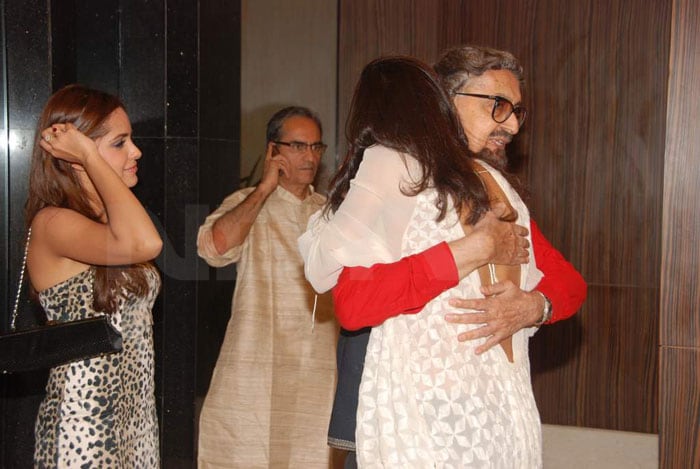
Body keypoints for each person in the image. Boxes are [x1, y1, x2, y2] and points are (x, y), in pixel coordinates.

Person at [301, 46, 587, 466]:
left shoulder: (495, 183)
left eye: (517, 112)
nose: (511, 125)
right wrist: (469, 251)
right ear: (443, 100)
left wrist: (533, 306)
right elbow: (353, 301)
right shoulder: (399, 168)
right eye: (498, 106)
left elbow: (569, 283)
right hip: (417, 421)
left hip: (500, 416)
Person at [25, 84, 163, 467]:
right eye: (119, 143)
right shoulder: (53, 222)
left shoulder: (108, 222)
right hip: (82, 427)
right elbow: (146, 243)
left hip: (133, 422)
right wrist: (88, 153)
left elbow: (136, 239)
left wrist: (94, 157)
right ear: (73, 158)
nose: (136, 152)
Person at [196, 106, 339, 467]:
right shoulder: (247, 205)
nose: (309, 156)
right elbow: (213, 249)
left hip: (317, 361)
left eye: (316, 147)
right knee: (247, 449)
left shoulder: (332, 214)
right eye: (298, 146)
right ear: (273, 150)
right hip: (257, 360)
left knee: (310, 454)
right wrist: (262, 189)